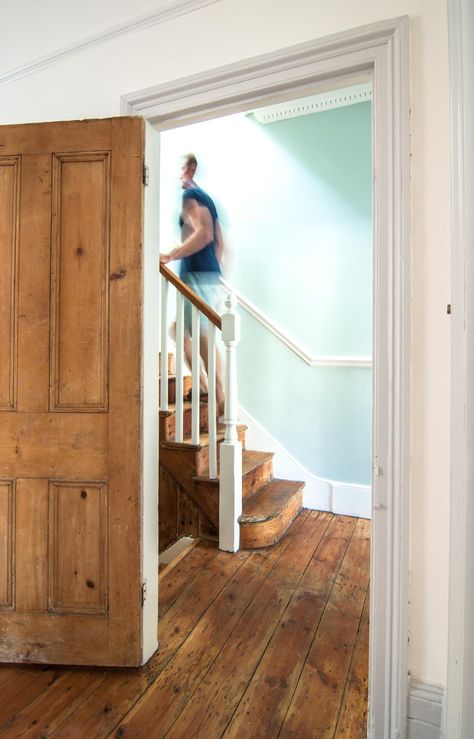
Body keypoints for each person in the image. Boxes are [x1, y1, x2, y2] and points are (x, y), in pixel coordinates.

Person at [160, 153, 225, 416]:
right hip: (208, 277)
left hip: (197, 277)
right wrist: (213, 272)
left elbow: (205, 234)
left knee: (198, 337)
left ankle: (217, 396)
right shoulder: (207, 198)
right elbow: (219, 243)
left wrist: (170, 256)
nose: (178, 173)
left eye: (181, 167)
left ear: (191, 169)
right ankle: (205, 386)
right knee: (180, 331)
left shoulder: (189, 196)